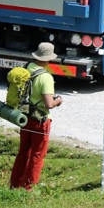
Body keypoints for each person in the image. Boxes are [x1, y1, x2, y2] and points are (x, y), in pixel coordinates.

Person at [9, 42, 63, 190]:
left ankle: (14, 184)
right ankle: (28, 188)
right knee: (37, 155)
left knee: (23, 152)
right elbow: (49, 104)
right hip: (40, 120)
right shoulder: (45, 77)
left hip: (24, 116)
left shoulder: (26, 68)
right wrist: (58, 100)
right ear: (48, 59)